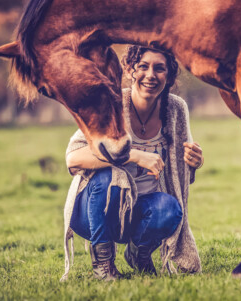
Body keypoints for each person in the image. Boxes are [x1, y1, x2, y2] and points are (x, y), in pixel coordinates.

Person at [60, 44, 204, 281]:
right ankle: (103, 265)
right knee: (106, 176)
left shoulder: (176, 109)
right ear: (130, 70)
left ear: (169, 76)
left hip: (140, 211)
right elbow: (74, 157)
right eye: (143, 67)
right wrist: (133, 155)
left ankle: (138, 253)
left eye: (160, 68)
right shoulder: (112, 105)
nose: (151, 75)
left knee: (170, 209)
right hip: (93, 212)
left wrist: (194, 162)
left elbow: (180, 175)